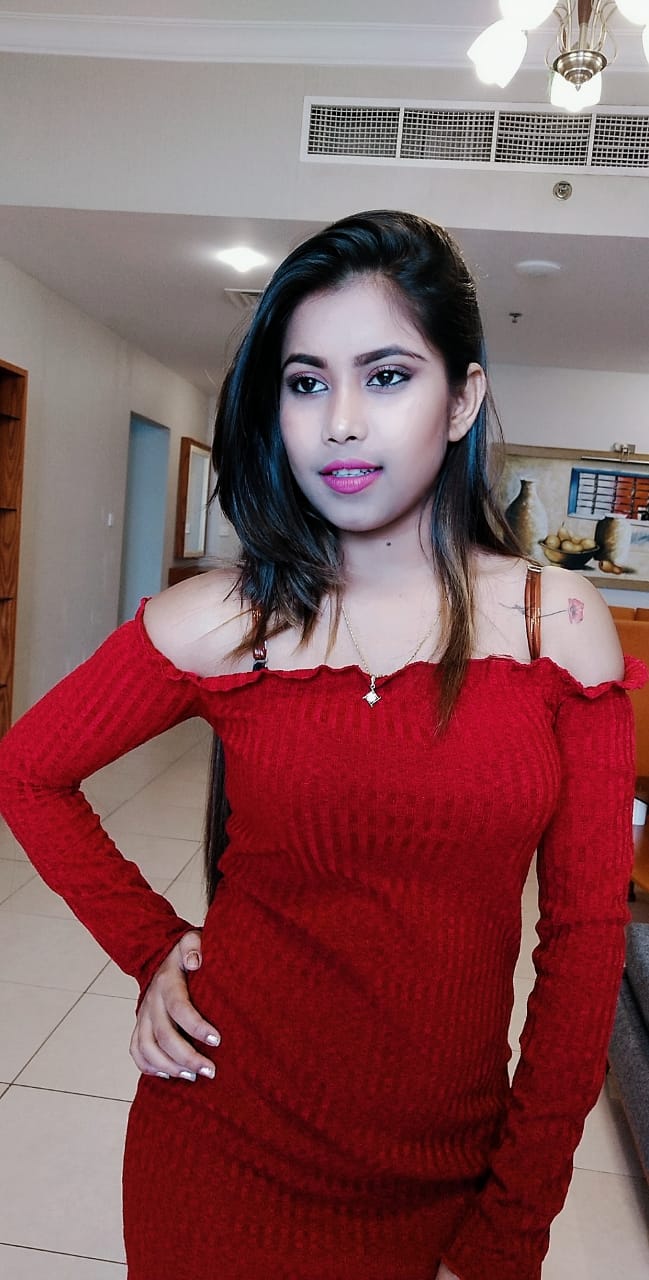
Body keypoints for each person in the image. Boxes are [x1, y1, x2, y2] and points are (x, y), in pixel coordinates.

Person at [0, 210, 643, 1280]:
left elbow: (583, 946)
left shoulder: (555, 625)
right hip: (220, 1148)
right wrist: (153, 946)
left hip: (450, 1178)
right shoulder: (225, 618)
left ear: (462, 400)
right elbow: (27, 769)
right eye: (306, 383)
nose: (339, 422)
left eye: (386, 376)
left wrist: (511, 1224)